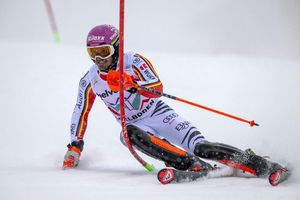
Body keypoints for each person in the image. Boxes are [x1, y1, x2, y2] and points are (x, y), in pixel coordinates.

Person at [63, 24, 286, 185]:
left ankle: (265, 166)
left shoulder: (134, 61)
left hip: (159, 114)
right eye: (93, 53)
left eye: (104, 52)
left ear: (117, 47)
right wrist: (75, 146)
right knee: (127, 134)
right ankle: (190, 164)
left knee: (202, 147)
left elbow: (157, 87)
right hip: (135, 125)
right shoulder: (89, 81)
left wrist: (129, 83)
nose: (98, 59)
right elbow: (80, 112)